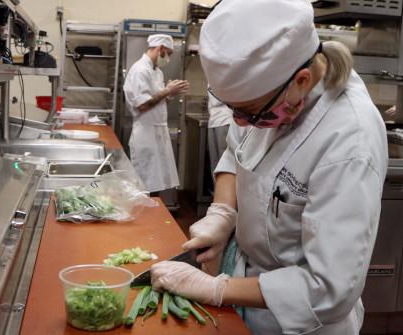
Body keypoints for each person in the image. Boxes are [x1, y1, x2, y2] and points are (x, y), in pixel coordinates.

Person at [150, 1, 388, 334]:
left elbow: (330, 287)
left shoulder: (349, 139)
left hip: (301, 320)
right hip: (245, 287)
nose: (240, 121)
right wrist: (222, 213)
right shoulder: (270, 93)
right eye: (233, 109)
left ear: (302, 81)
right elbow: (236, 151)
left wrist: (213, 289)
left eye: (250, 113)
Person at [123, 34, 189, 194]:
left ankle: (156, 216)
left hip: (159, 133)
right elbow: (142, 105)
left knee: (158, 184)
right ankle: (145, 218)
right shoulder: (140, 70)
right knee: (145, 186)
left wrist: (170, 94)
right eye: (169, 54)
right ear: (160, 49)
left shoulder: (157, 72)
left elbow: (157, 102)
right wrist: (167, 91)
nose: (169, 59)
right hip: (145, 135)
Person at [207, 88, 233, 176]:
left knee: (224, 162)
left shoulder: (224, 75)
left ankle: (227, 188)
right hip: (213, 120)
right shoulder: (211, 77)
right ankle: (217, 189)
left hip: (225, 119)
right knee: (214, 163)